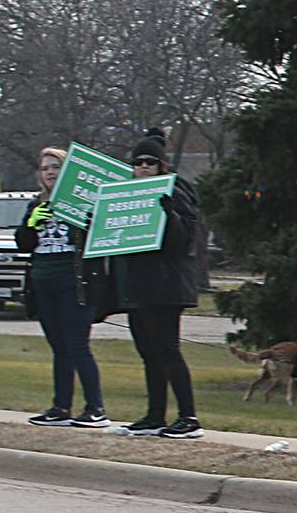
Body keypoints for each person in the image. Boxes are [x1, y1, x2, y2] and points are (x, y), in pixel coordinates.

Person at [116, 132, 204, 438]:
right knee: (149, 353)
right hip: (139, 286)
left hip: (166, 287)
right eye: (137, 162)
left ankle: (189, 417)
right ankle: (155, 416)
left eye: (149, 162)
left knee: (168, 352)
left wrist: (168, 213)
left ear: (161, 165)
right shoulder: (128, 194)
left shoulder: (176, 191)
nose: (142, 167)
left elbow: (184, 241)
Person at [15, 147, 110, 428]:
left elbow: (99, 236)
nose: (50, 173)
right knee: (59, 347)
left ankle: (95, 408)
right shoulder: (36, 204)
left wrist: (84, 217)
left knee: (77, 345)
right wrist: (30, 226)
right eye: (45, 168)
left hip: (75, 282)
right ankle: (61, 406)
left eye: (56, 167)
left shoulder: (83, 203)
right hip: (43, 282)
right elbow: (23, 244)